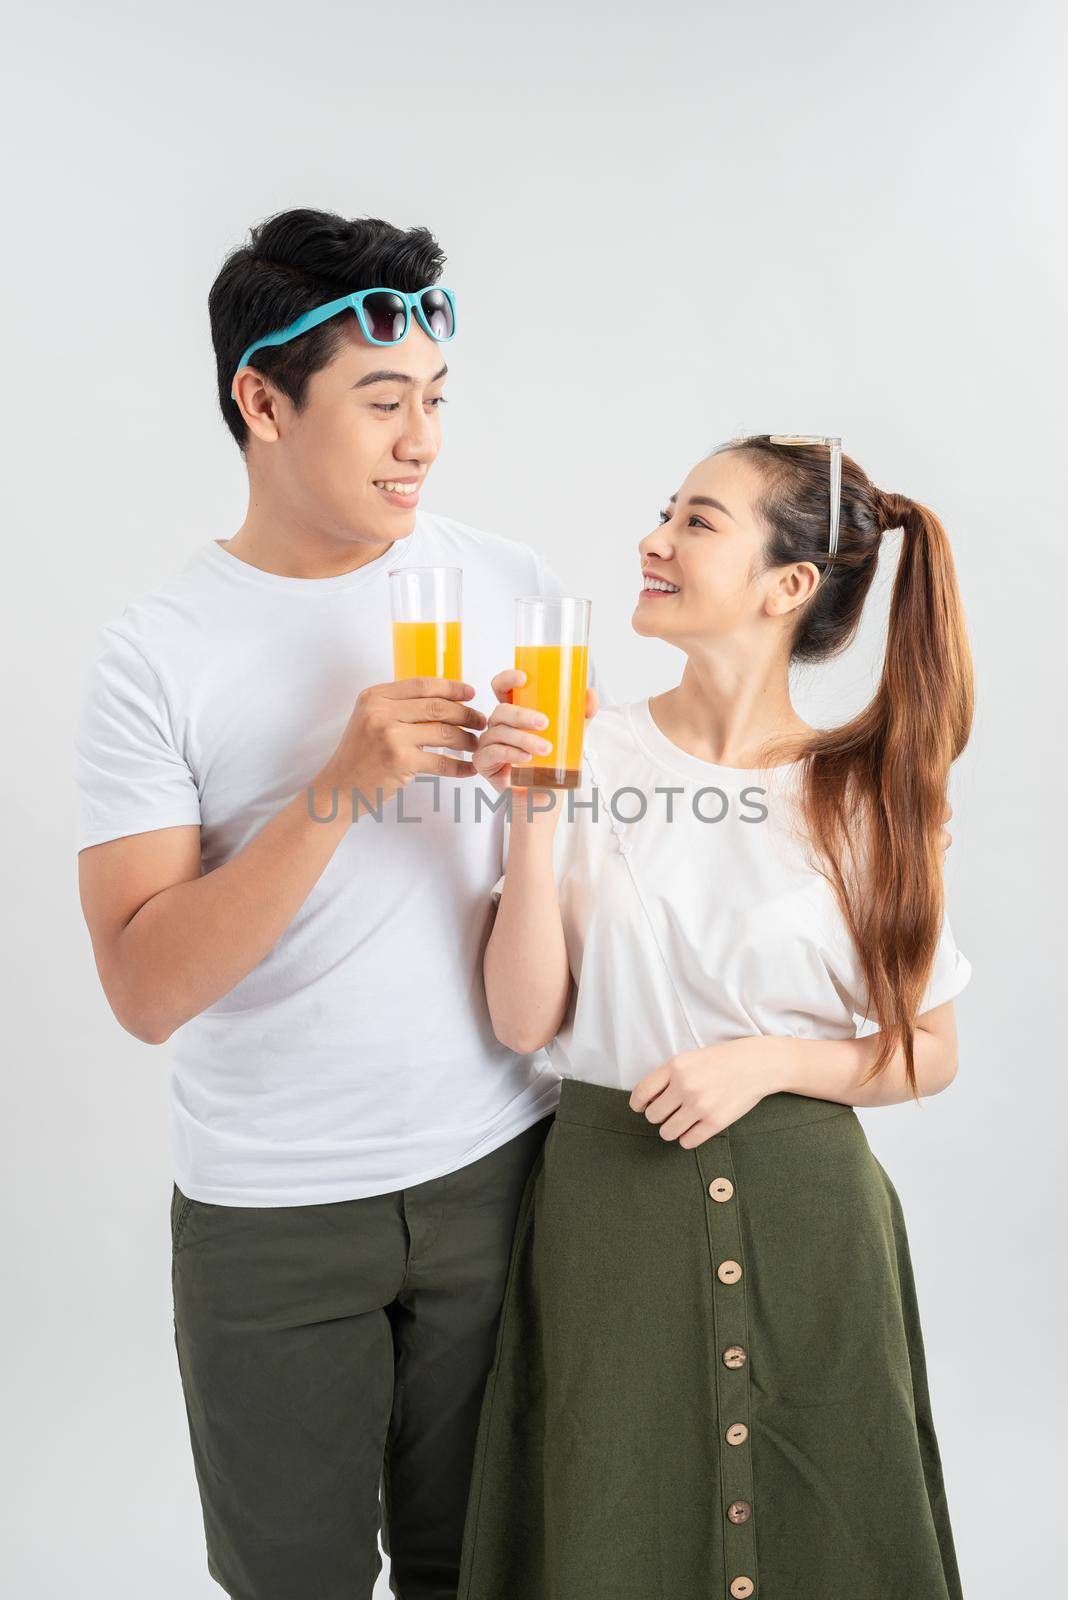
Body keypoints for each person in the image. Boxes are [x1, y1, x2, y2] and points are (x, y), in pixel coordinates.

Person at [73, 207, 605, 1598]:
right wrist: (338, 789)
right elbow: (142, 990)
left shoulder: (514, 590)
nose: (421, 441)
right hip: (272, 1213)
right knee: (293, 1580)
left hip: (501, 1168)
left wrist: (554, 809)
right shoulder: (157, 656)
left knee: (485, 1566)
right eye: (381, 404)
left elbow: (576, 892)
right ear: (261, 401)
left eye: (434, 399)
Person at [460, 435, 972, 1599]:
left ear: (788, 586)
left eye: (697, 521)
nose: (655, 539)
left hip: (814, 1226)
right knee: (610, 1515)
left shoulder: (866, 792)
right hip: (606, 1221)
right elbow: (522, 1015)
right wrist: (536, 819)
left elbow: (930, 1048)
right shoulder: (585, 745)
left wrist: (773, 1062)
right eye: (664, 513)